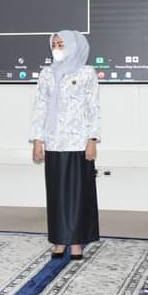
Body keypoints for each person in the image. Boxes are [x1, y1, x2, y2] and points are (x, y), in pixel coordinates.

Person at [30, 30, 100, 260]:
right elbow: (40, 107)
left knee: (78, 194)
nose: (57, 48)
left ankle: (77, 242)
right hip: (54, 141)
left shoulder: (86, 73)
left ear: (73, 46)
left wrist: (92, 140)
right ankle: (59, 240)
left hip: (79, 142)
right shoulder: (46, 74)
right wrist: (37, 139)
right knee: (57, 194)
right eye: (54, 44)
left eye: (62, 44)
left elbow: (93, 107)